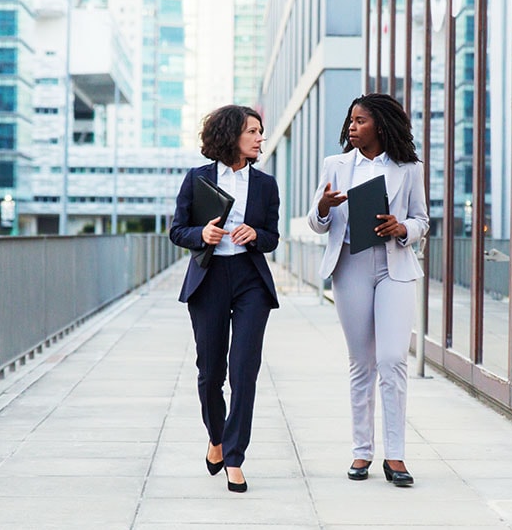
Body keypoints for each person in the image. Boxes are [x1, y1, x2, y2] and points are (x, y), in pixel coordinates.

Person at [307, 93, 429, 487]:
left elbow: (423, 220)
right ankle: (362, 451)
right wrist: (324, 206)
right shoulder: (336, 165)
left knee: (392, 359)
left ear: (380, 125)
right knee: (361, 361)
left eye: (360, 121)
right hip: (351, 267)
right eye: (350, 121)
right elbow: (317, 223)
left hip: (394, 267)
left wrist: (403, 228)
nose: (352, 127)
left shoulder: (408, 168)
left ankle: (395, 456)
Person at [169, 105, 280, 493]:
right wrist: (203, 235)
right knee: (210, 372)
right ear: (232, 135)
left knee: (244, 369)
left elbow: (272, 236)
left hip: (251, 280)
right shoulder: (198, 178)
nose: (259, 138)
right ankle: (216, 438)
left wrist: (256, 235)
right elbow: (177, 230)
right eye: (253, 131)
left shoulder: (266, 185)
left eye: (260, 131)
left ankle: (234, 456)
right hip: (210, 278)